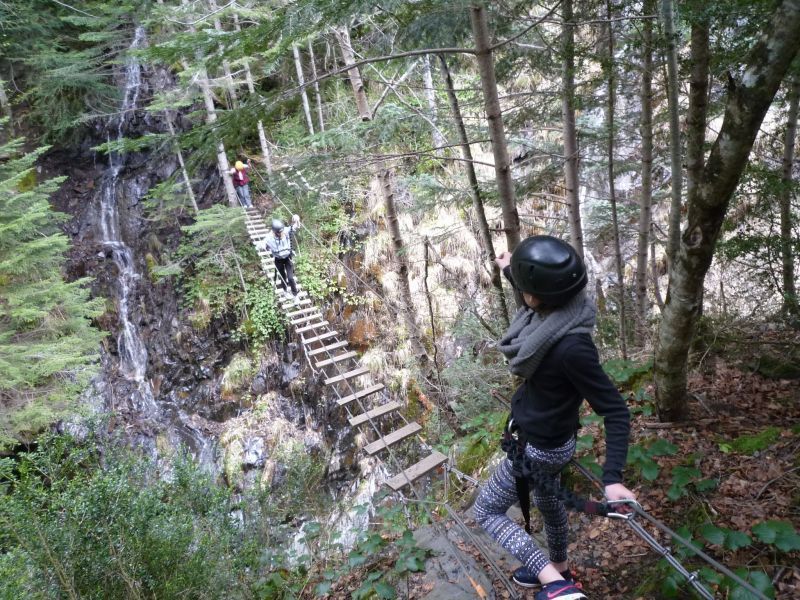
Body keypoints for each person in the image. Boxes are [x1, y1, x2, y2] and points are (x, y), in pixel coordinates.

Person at [472, 235, 635, 600]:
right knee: (550, 505)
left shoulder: (571, 349)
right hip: (556, 440)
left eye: (526, 289)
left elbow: (615, 410)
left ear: (537, 297)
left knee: (486, 512)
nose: (526, 298)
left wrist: (612, 479)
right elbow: (539, 297)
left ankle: (555, 585)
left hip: (539, 449)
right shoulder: (566, 307)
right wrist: (511, 268)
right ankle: (561, 568)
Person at [259, 214, 301, 297]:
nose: (281, 234)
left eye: (281, 232)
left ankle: (295, 295)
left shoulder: (285, 231)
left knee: (291, 278)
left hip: (288, 258)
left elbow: (295, 226)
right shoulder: (269, 237)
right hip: (278, 259)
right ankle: (285, 292)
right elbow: (261, 244)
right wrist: (263, 246)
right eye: (279, 233)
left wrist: (297, 218)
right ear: (274, 232)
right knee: (283, 277)